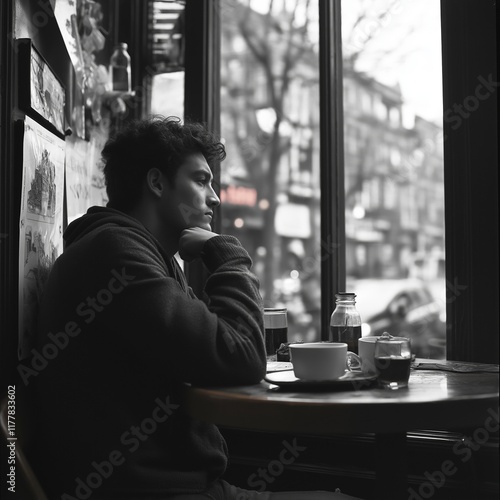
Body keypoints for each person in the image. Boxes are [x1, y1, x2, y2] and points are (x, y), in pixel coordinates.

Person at [27, 116, 361, 499]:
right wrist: (226, 253)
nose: (215, 197)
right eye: (201, 180)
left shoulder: (140, 253)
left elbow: (216, 347)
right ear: (156, 182)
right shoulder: (115, 254)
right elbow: (239, 356)